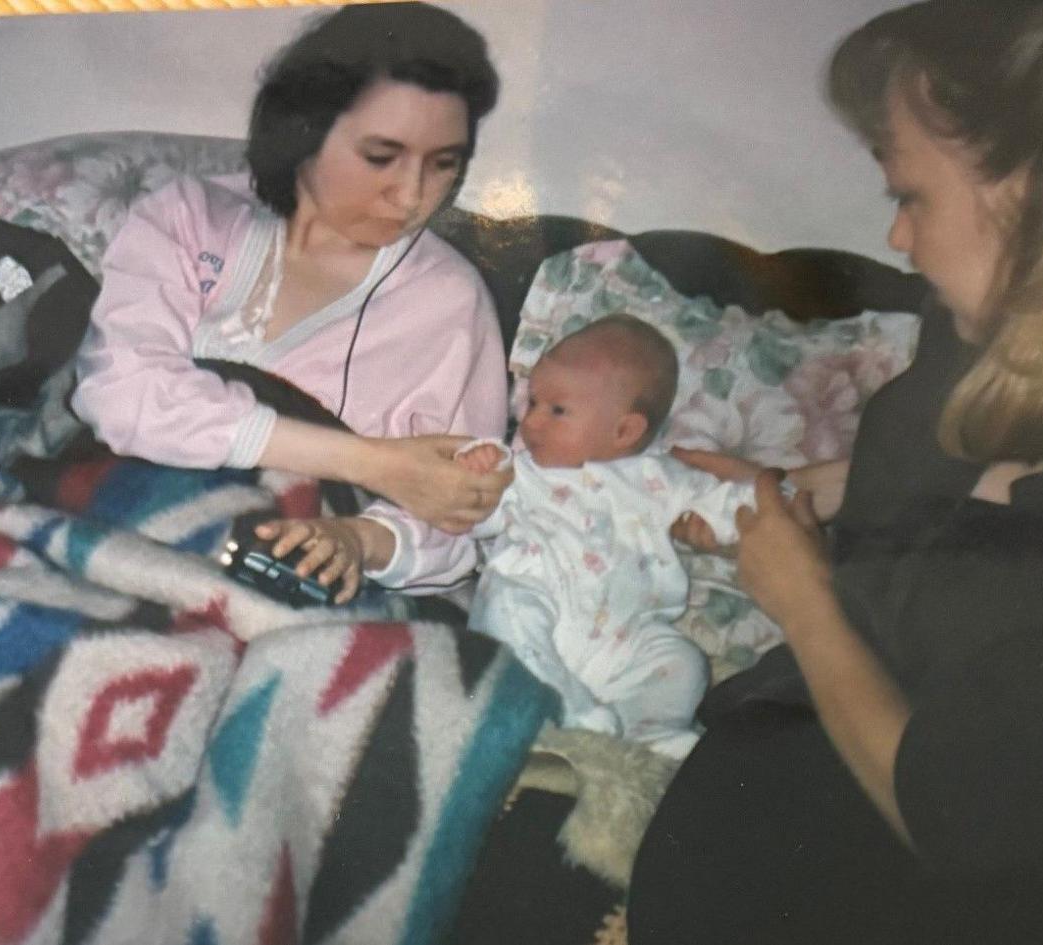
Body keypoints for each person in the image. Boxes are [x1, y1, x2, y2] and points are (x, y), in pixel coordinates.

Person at [628, 2, 1043, 943]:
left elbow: (951, 810)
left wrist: (804, 599)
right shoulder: (974, 342)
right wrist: (800, 487)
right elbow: (948, 497)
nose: (900, 242)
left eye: (909, 196)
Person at [70, 1, 511, 606]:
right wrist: (371, 462)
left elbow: (461, 516)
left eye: (443, 165)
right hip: (104, 528)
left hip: (274, 580)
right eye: (381, 157)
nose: (412, 195)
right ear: (304, 131)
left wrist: (357, 538)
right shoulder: (189, 218)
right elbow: (121, 393)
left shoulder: (449, 302)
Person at [456, 318, 755, 755]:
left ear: (625, 431)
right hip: (538, 614)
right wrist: (477, 475)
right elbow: (471, 514)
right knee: (507, 601)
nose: (531, 421)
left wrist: (727, 519)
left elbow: (732, 502)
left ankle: (650, 730)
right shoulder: (518, 472)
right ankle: (560, 704)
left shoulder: (660, 479)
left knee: (680, 660)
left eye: (557, 410)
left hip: (623, 639)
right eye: (532, 401)